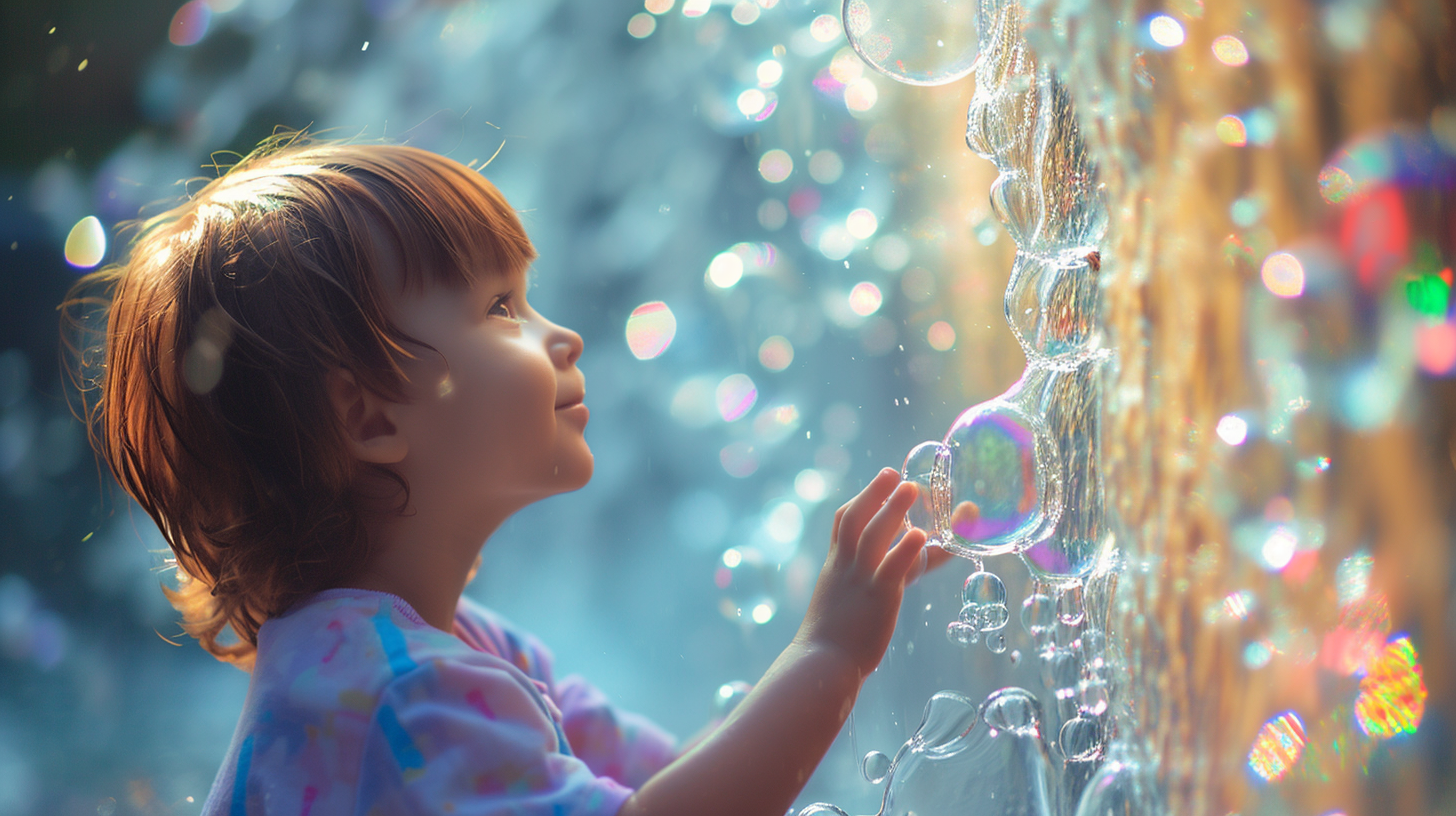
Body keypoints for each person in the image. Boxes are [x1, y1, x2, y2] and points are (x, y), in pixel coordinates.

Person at [65, 136, 928, 816]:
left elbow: (678, 779)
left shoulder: (449, 646)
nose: (562, 337)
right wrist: (830, 653)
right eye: (500, 308)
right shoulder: (398, 692)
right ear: (371, 416)